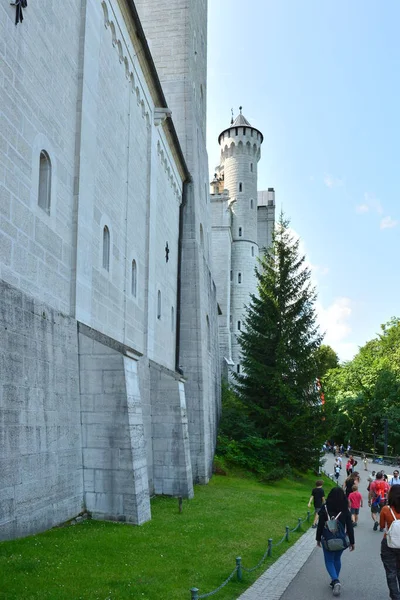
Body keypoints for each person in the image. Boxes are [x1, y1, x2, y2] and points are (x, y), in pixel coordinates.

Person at [316, 487, 355, 596]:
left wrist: (318, 539)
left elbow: (320, 525)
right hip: (341, 539)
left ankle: (335, 580)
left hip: (327, 539)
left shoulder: (325, 508)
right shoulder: (345, 508)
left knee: (329, 560)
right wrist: (352, 541)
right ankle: (335, 580)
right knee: (337, 559)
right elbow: (350, 526)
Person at [380, 485, 400, 600]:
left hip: (389, 544)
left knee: (391, 572)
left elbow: (382, 526)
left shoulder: (386, 509)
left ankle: (395, 596)